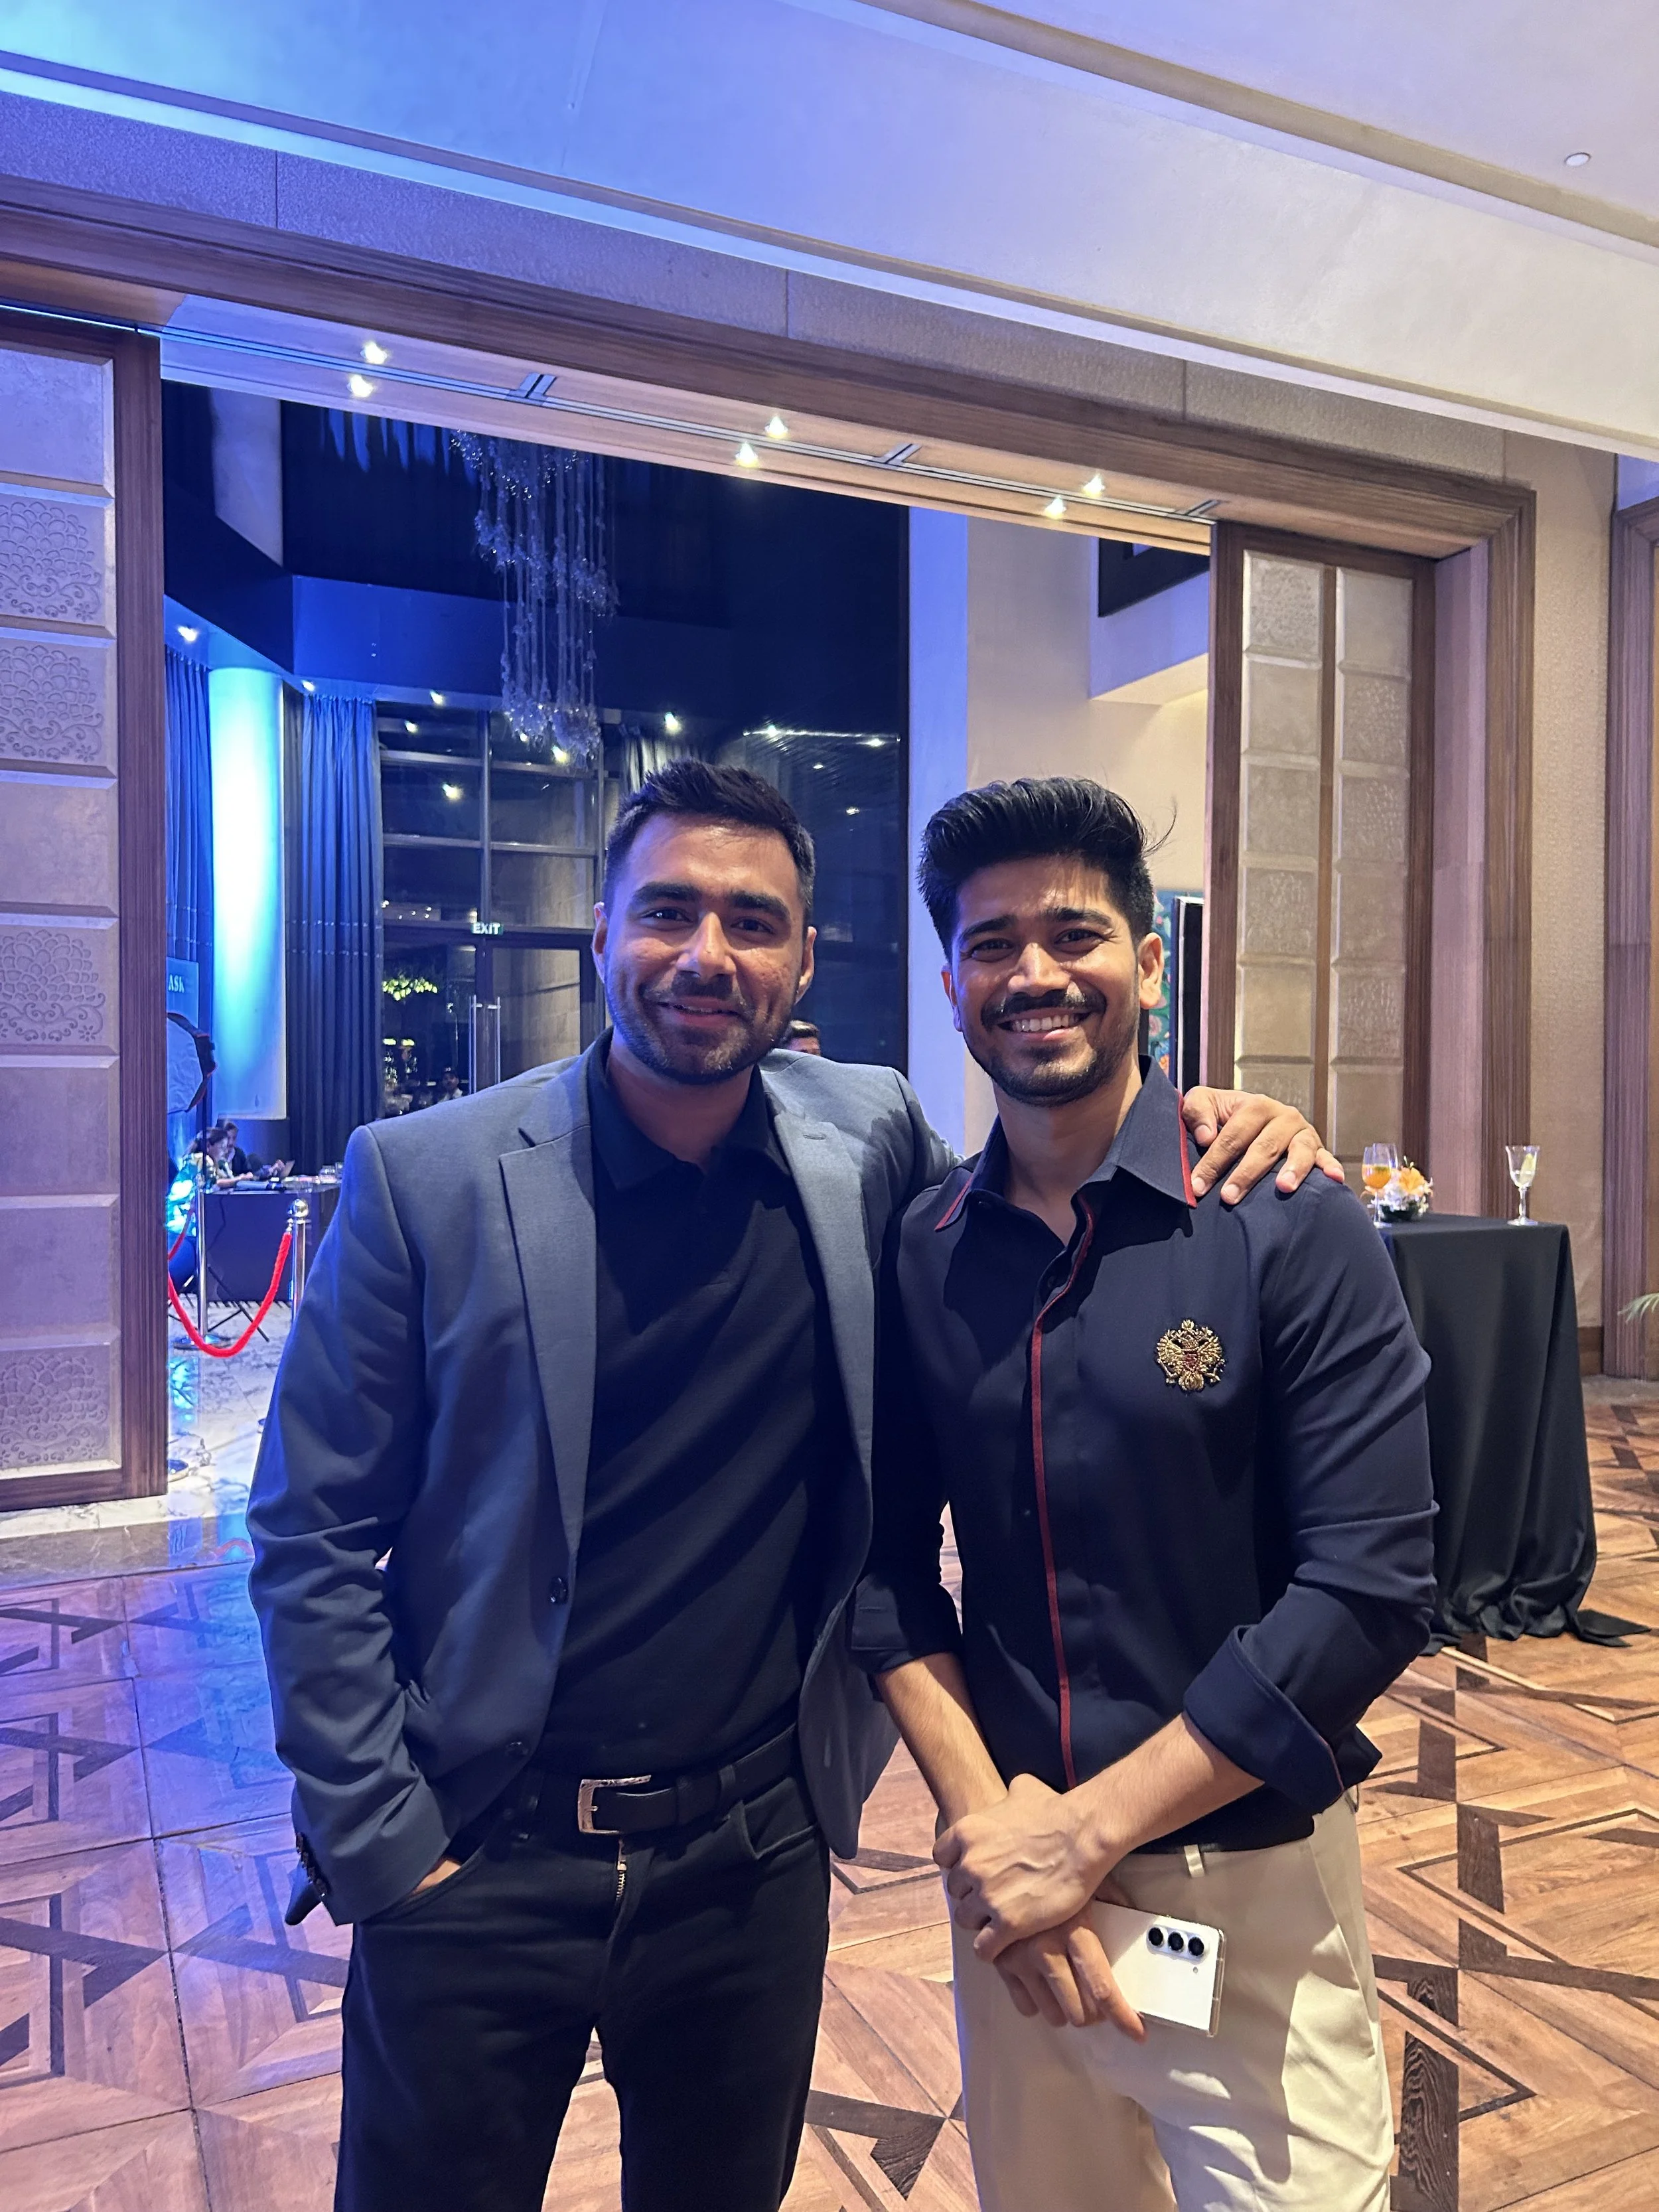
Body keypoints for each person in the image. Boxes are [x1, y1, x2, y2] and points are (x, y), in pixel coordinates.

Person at [247, 761, 1338, 2212]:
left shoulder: (865, 1143)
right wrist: (382, 1840)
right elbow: (311, 1533)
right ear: (603, 934)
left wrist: (1222, 1120)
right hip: (479, 1850)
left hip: (748, 1857)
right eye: (668, 913)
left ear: (803, 959)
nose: (707, 954)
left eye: (752, 922)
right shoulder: (425, 1177)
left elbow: (1051, 1167)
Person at [853, 778, 1436, 2212]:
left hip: (1245, 1891)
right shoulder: (926, 1247)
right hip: (1013, 1901)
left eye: (1075, 934)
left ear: (1150, 962)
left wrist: (1090, 1830)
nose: (1034, 974)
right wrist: (999, 1840)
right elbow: (882, 1568)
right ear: (950, 984)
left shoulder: (1286, 1220)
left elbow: (1368, 1589)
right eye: (992, 944)